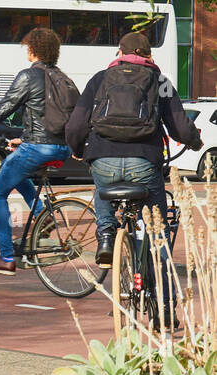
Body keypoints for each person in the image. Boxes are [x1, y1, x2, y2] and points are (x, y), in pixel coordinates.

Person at [66, 31, 201, 281]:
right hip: (144, 162)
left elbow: (75, 126)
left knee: (102, 181)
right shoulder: (160, 81)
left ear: (121, 52)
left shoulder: (100, 78)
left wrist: (78, 151)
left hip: (102, 157)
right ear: (147, 54)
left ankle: (106, 235)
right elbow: (181, 128)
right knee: (155, 229)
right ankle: (164, 304)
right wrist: (194, 142)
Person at [0, 27, 70, 276]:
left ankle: (6, 257)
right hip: (61, 147)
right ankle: (43, 215)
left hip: (39, 147)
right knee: (14, 164)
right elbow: (51, 117)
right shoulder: (62, 77)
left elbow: (2, 110)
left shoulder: (29, 76)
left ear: (32, 49)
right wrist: (24, 139)